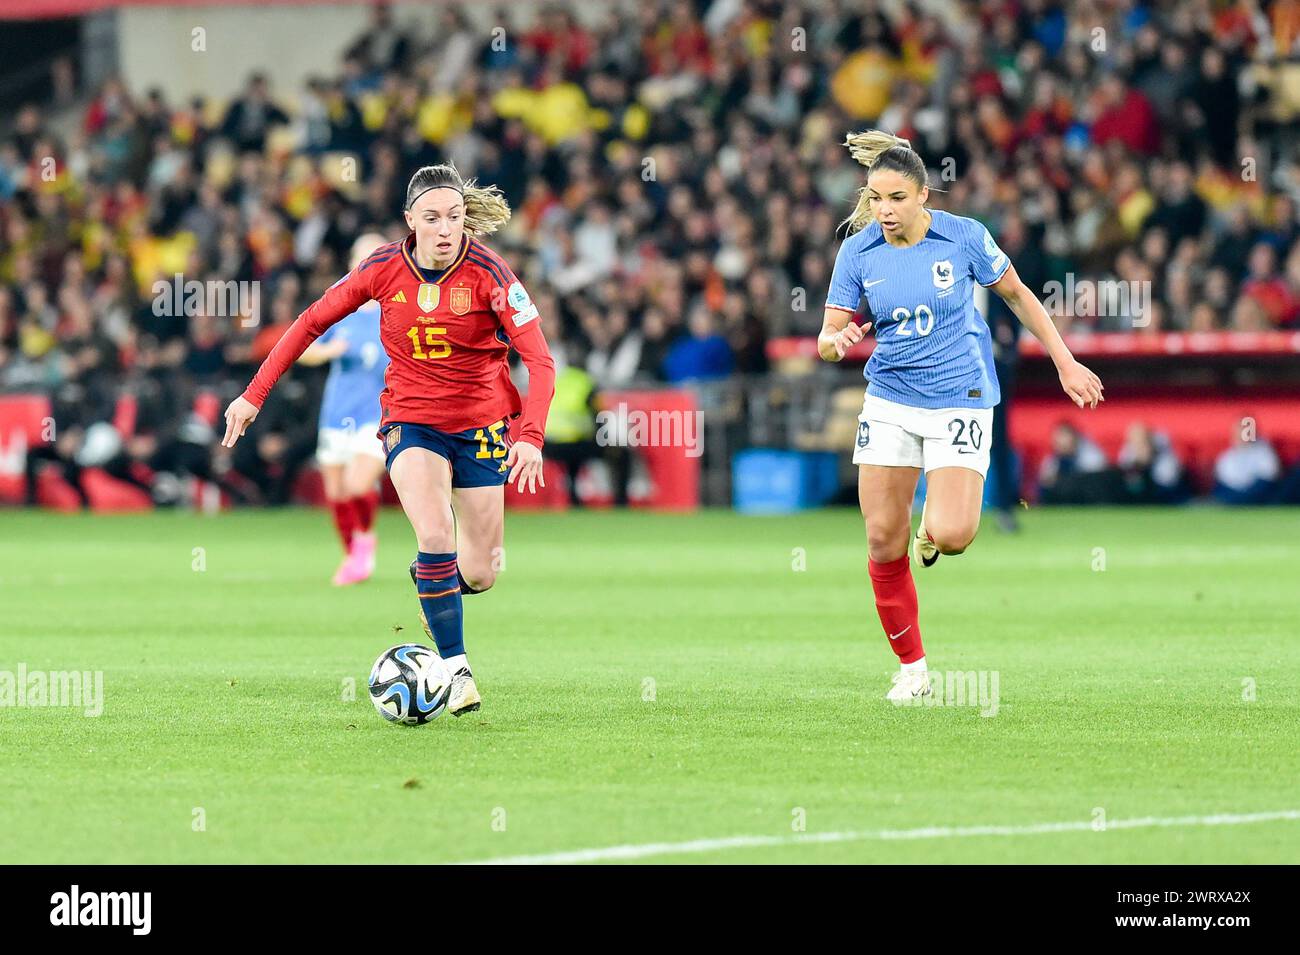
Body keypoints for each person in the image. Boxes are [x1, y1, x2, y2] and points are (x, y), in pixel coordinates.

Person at [222, 164, 557, 716]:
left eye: (454, 216)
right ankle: (457, 669)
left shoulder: (493, 273)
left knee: (480, 571)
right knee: (434, 531)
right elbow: (309, 322)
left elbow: (540, 361)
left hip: (483, 428)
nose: (446, 228)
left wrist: (530, 436)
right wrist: (253, 395)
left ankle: (432, 586)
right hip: (411, 421)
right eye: (433, 218)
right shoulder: (380, 269)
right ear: (410, 222)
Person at [817, 130, 1103, 703]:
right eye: (875, 198)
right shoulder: (858, 252)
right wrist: (836, 339)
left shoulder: (964, 237)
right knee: (879, 538)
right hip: (891, 398)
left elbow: (1019, 296)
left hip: (961, 396)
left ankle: (931, 530)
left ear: (924, 195)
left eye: (896, 198)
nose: (884, 210)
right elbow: (827, 337)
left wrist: (1065, 362)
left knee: (952, 535)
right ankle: (913, 670)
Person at [297, 233, 391, 586]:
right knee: (335, 492)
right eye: (362, 256)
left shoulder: (394, 309)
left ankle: (365, 541)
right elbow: (302, 348)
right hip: (337, 411)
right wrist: (327, 352)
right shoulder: (340, 306)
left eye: (375, 256)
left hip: (378, 415)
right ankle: (353, 555)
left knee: (356, 484)